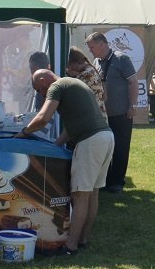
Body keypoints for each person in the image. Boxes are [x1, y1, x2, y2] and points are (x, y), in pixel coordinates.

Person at [18, 69, 113, 254]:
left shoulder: (56, 86)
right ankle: (83, 239)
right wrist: (54, 146)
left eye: (39, 90)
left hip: (90, 141)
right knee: (92, 193)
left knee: (80, 196)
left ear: (44, 81)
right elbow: (70, 128)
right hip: (106, 137)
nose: (41, 94)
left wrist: (24, 133)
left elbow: (43, 118)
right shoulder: (73, 84)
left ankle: (70, 245)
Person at [86, 31, 140, 192]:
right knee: (105, 148)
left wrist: (132, 106)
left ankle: (117, 182)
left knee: (121, 147)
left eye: (92, 47)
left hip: (121, 112)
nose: (90, 51)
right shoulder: (96, 61)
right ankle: (106, 180)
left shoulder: (121, 58)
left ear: (102, 44)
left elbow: (133, 83)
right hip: (103, 114)